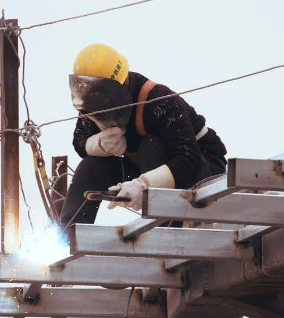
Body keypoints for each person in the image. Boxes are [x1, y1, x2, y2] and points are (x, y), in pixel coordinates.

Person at [58, 43, 227, 228]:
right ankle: (68, 238)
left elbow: (188, 160)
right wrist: (98, 144)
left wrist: (143, 185)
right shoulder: (91, 105)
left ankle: (167, 231)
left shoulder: (159, 102)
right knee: (91, 166)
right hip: (145, 167)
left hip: (201, 168)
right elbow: (79, 141)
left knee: (150, 145)